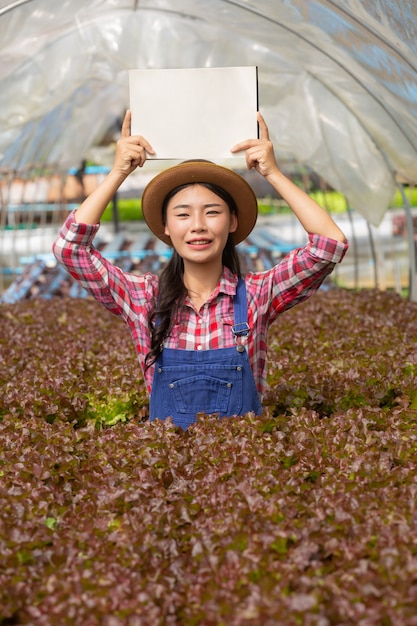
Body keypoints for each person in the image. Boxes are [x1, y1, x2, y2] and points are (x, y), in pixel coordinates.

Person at [53, 109, 348, 429]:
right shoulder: (143, 298)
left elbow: (329, 245)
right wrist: (117, 174)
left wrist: (272, 173)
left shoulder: (257, 294)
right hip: (170, 471)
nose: (197, 226)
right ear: (165, 225)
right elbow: (70, 248)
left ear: (232, 221)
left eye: (212, 212)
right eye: (182, 214)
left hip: (243, 468)